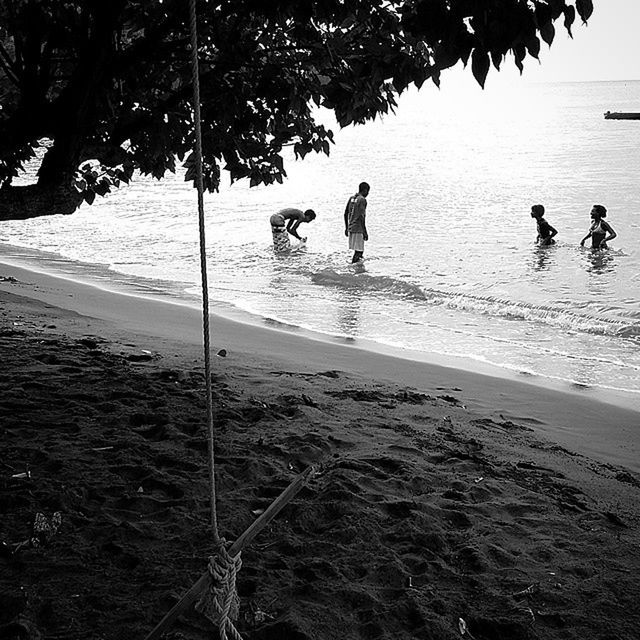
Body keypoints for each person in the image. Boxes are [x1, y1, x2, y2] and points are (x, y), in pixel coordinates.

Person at [344, 182, 370, 263]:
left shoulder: (352, 198)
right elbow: (361, 216)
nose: (368, 194)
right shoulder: (362, 200)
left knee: (358, 251)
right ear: (365, 190)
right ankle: (353, 268)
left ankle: (359, 269)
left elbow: (345, 213)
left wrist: (346, 227)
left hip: (351, 227)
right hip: (358, 228)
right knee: (359, 251)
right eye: (368, 192)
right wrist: (365, 231)